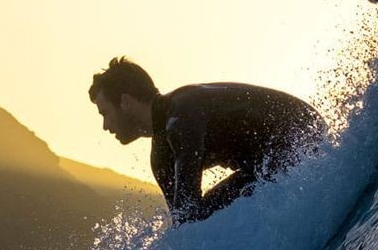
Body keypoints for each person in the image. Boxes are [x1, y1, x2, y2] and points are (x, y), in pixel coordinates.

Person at [89, 57, 325, 224]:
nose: (105, 126)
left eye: (105, 113)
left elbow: (188, 206)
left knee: (206, 214)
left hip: (299, 133)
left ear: (126, 103)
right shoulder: (161, 156)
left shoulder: (182, 114)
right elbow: (184, 224)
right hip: (264, 162)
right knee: (203, 217)